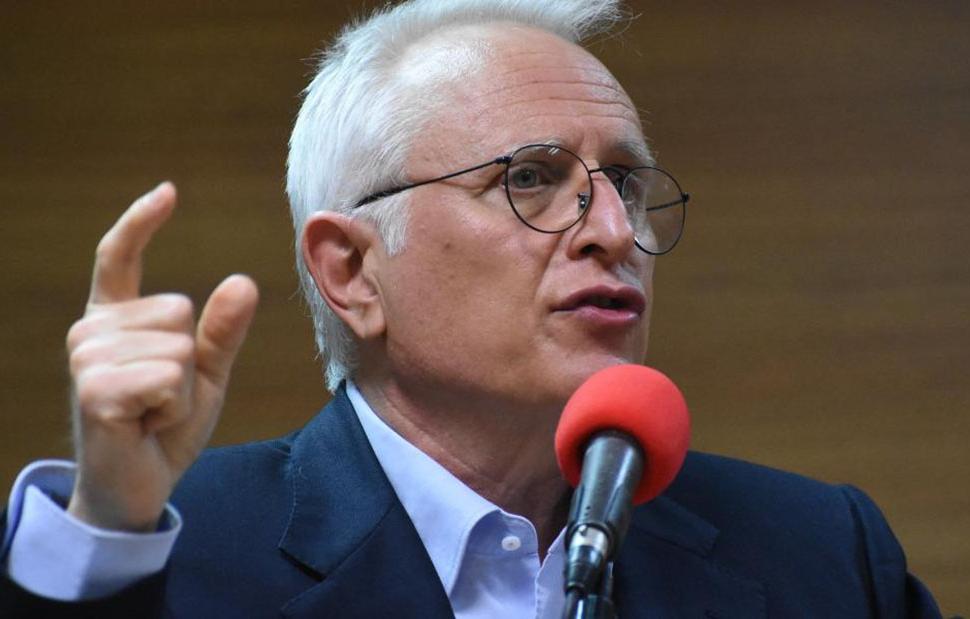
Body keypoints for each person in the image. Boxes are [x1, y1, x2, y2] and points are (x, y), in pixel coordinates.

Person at [0, 0, 943, 616]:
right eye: (529, 178)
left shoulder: (819, 556)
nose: (614, 229)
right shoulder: (172, 554)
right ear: (353, 272)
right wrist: (108, 534)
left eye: (625, 181)